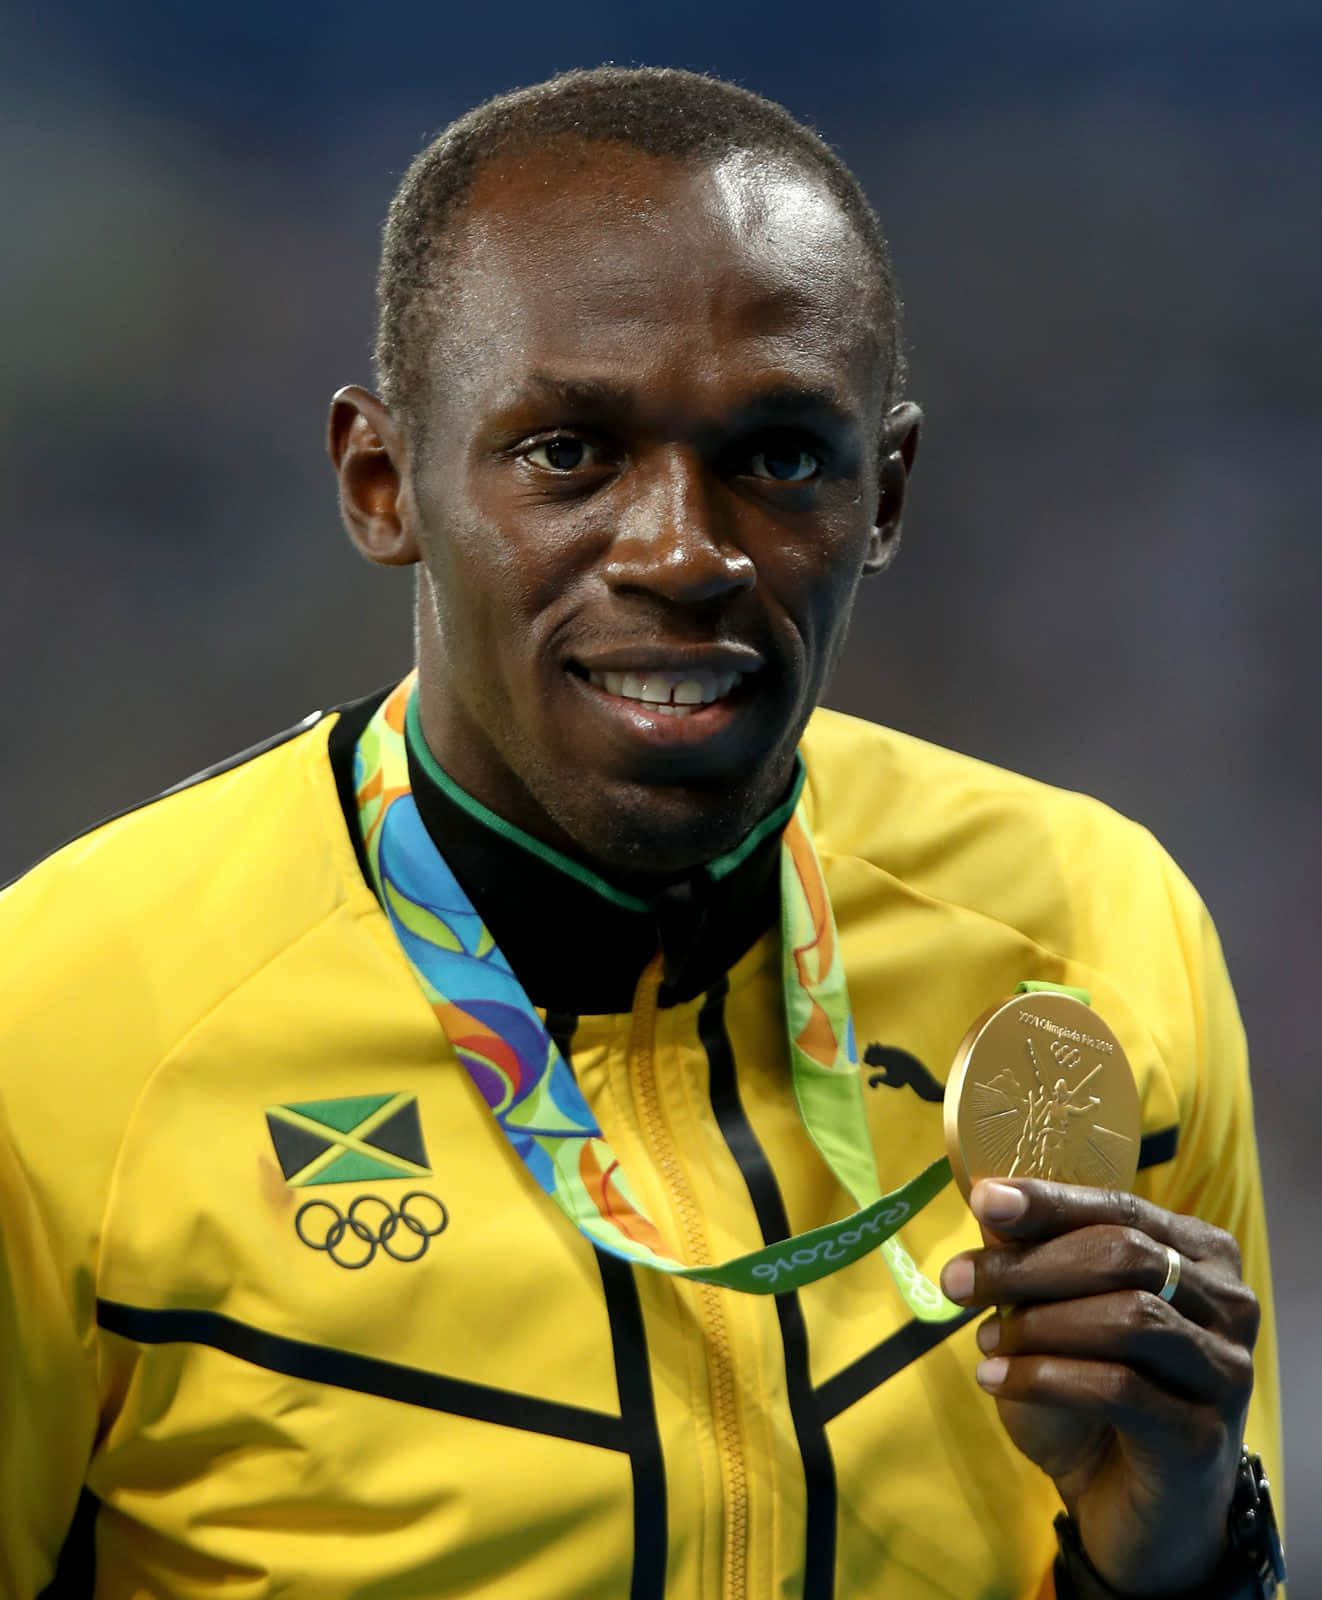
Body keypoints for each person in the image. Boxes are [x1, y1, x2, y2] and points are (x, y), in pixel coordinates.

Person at [0, 66, 1284, 1600]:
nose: (683, 551)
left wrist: (1188, 1561)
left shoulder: (1092, 929)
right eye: (568, 453)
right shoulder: (64, 1026)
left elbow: (1183, 1540)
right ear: (380, 479)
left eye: (778, 455)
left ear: (884, 492)